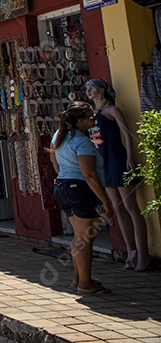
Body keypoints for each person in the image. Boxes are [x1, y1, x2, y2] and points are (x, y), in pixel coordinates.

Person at [85, 78, 149, 271]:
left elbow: (127, 134)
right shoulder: (92, 114)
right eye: (87, 88)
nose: (89, 91)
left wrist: (130, 157)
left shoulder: (112, 111)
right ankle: (131, 251)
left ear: (103, 90)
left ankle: (143, 253)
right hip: (104, 164)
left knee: (131, 206)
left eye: (92, 87)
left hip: (117, 160)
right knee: (117, 208)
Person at [50, 101, 113, 295]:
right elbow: (89, 174)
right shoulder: (82, 142)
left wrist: (65, 178)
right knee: (85, 238)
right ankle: (85, 283)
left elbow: (54, 161)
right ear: (81, 121)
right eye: (91, 118)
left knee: (79, 236)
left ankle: (79, 278)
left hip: (62, 187)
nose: (93, 120)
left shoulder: (58, 137)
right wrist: (105, 201)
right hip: (80, 189)